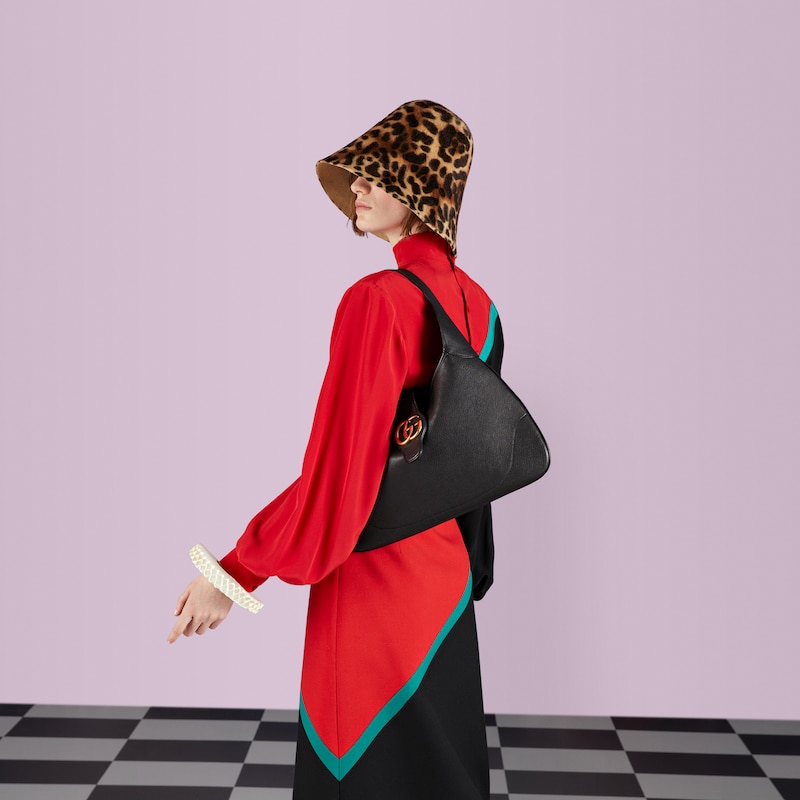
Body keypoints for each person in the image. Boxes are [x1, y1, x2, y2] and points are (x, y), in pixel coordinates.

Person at [168, 100, 504, 800]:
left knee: (364, 772)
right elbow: (476, 467)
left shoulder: (378, 300)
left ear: (418, 189)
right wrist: (470, 568)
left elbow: (337, 478)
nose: (357, 185)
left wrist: (232, 573)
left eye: (376, 174)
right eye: (357, 173)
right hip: (444, 579)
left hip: (374, 573)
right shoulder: (484, 307)